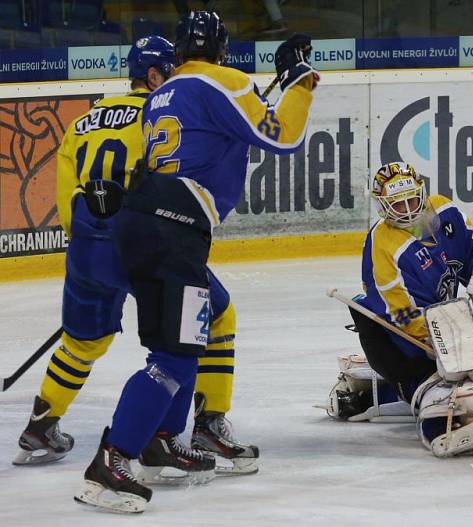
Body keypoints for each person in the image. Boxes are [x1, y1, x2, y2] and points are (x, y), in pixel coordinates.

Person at [73, 11, 317, 513]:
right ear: (222, 50)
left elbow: (217, 134)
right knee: (174, 357)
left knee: (202, 324)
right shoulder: (223, 79)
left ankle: (161, 438)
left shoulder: (162, 95)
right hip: (172, 231)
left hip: (145, 222)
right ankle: (112, 461)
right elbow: (282, 136)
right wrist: (301, 81)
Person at [13, 35, 256, 476]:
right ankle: (202, 424)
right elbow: (174, 185)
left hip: (87, 247)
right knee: (211, 320)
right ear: (155, 75)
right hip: (142, 241)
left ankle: (40, 425)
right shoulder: (161, 112)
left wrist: (93, 250)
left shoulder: (84, 119)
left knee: (84, 340)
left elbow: (68, 197)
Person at [321, 161, 473, 457]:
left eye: (411, 200)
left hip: (447, 323)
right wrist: (442, 344)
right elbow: (399, 314)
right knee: (440, 391)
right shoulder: (384, 244)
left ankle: (372, 392)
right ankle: (431, 420)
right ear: (383, 207)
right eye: (397, 204)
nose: (406, 209)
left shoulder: (445, 211)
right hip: (397, 340)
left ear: (423, 192)